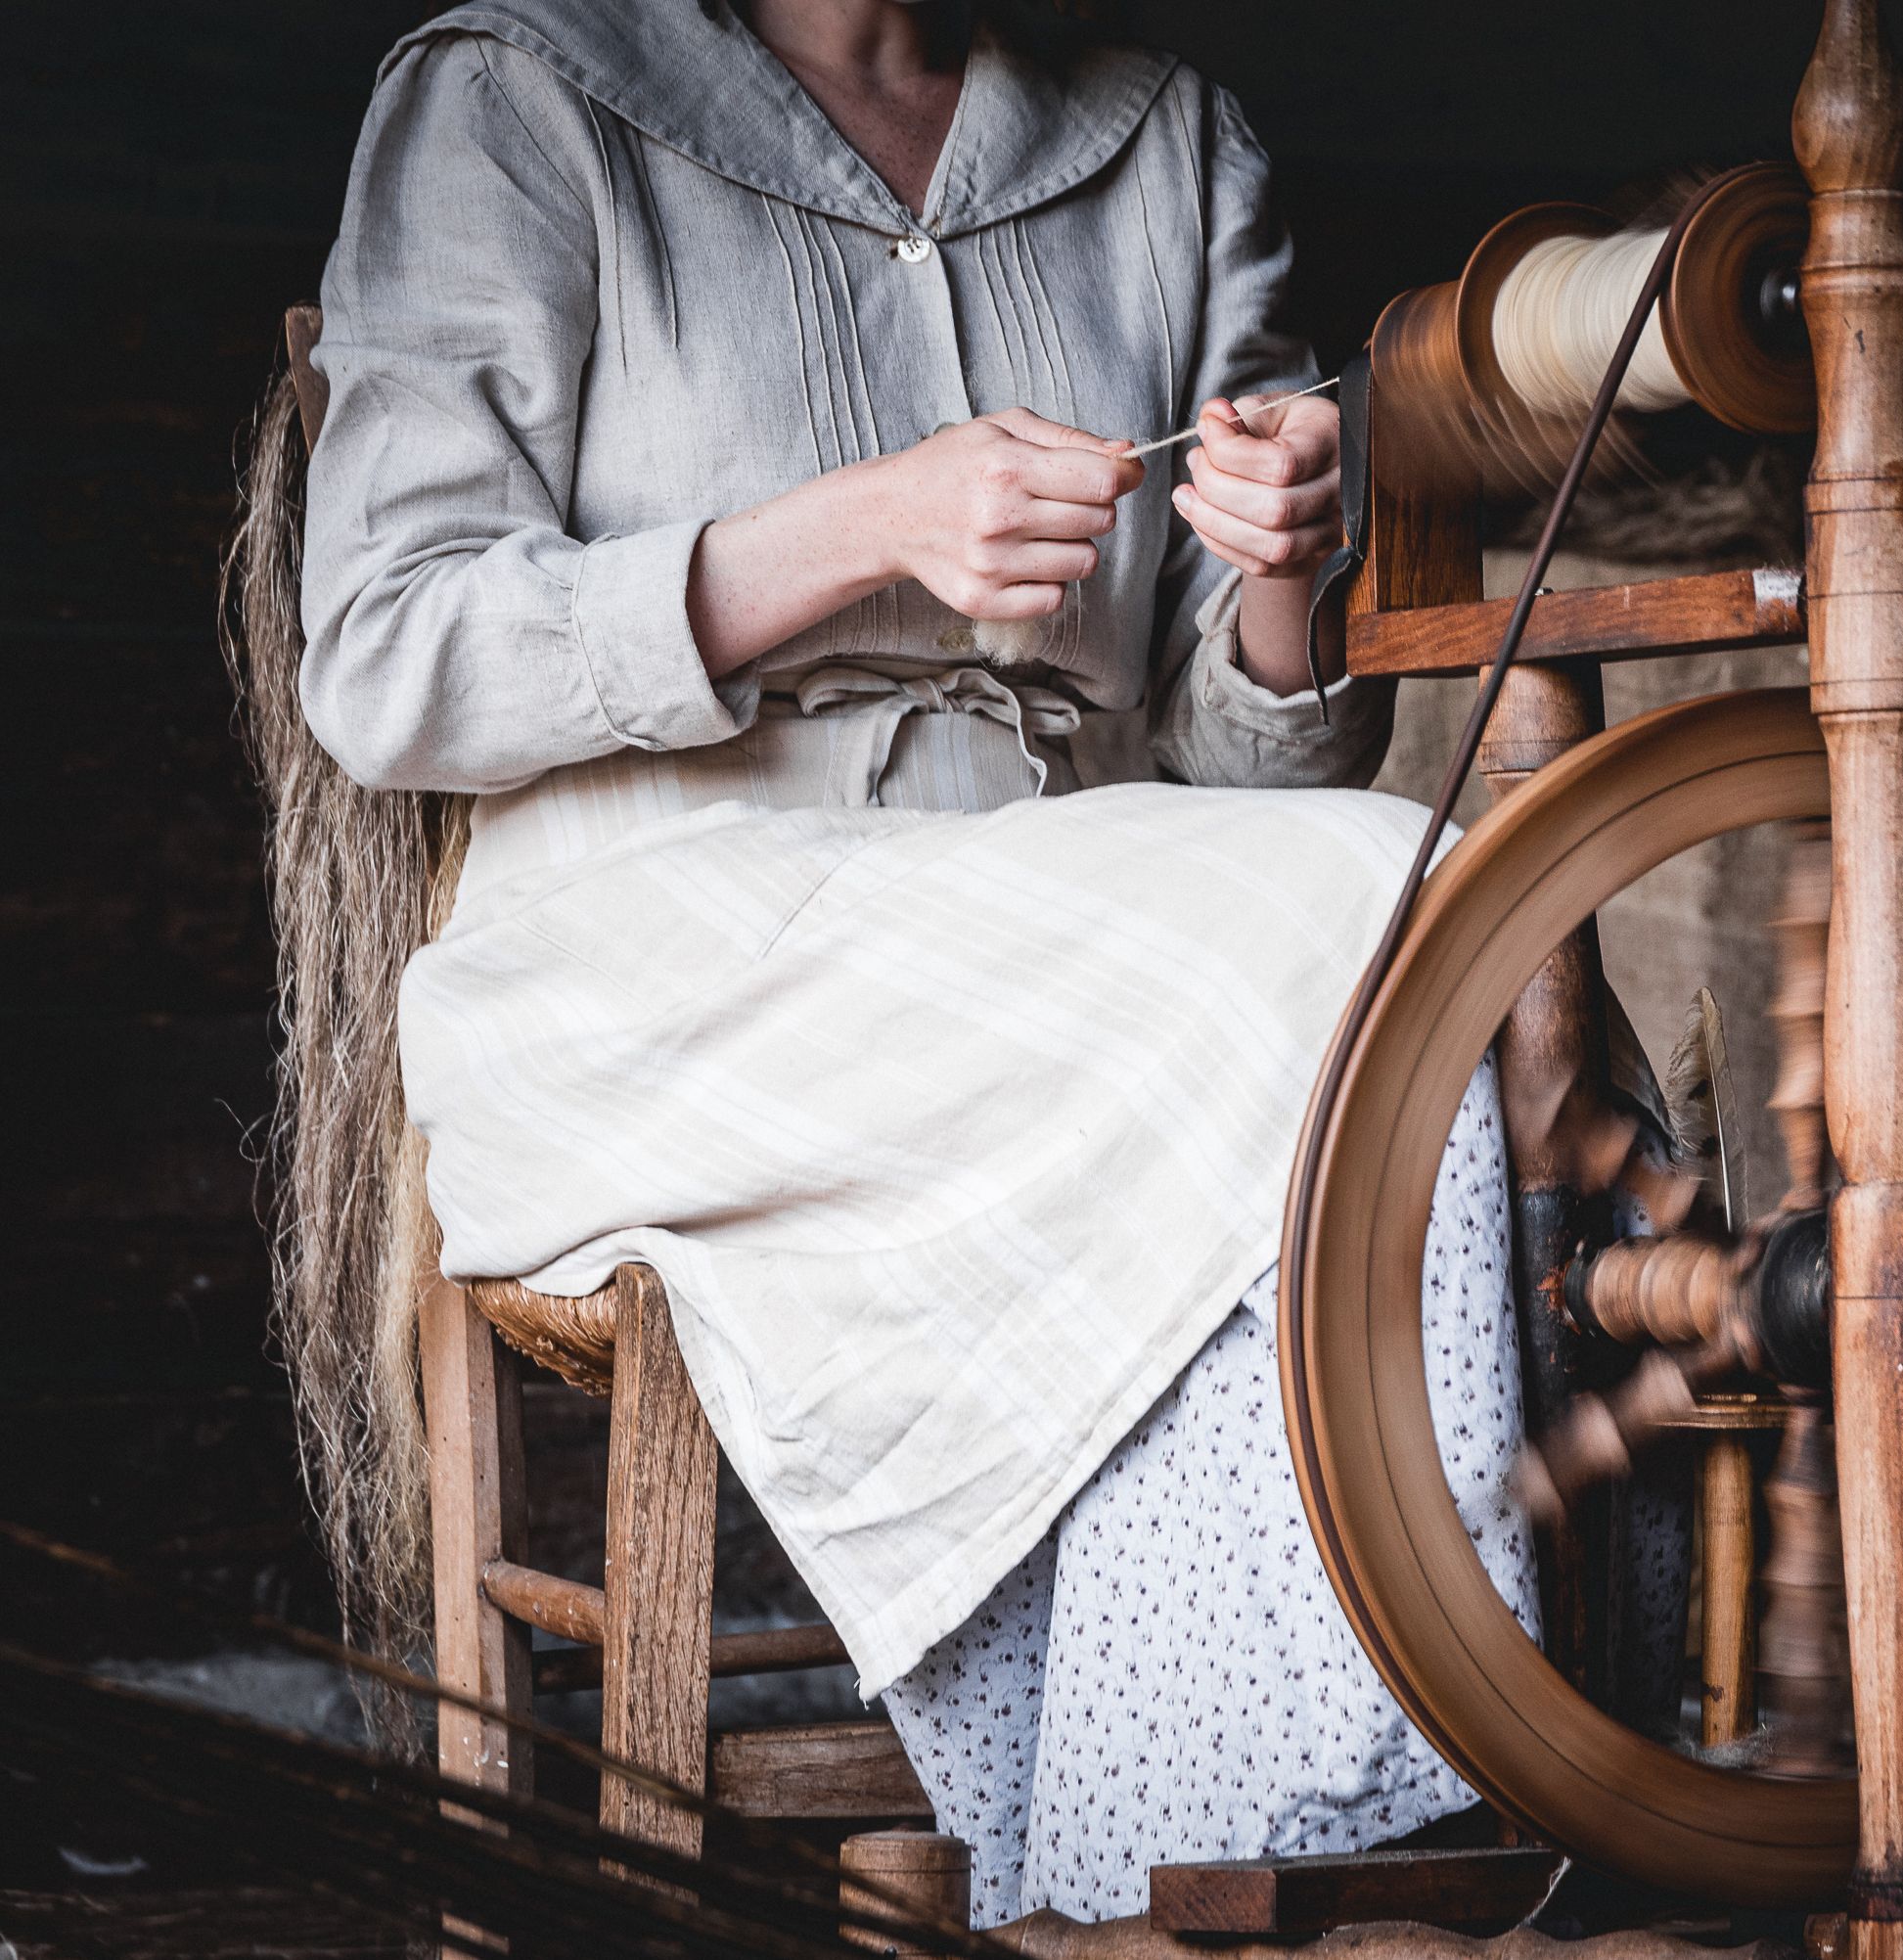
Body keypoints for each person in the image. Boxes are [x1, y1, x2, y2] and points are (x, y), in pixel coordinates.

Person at [296, 0, 1532, 1921]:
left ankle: (1159, 1860)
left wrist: (1285, 562)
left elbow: (1246, 762)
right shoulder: (517, 94)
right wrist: (870, 520)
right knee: (1373, 917)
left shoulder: (1167, 139)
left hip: (1069, 942)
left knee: (1372, 914)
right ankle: (1233, 1843)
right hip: (658, 955)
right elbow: (389, 658)